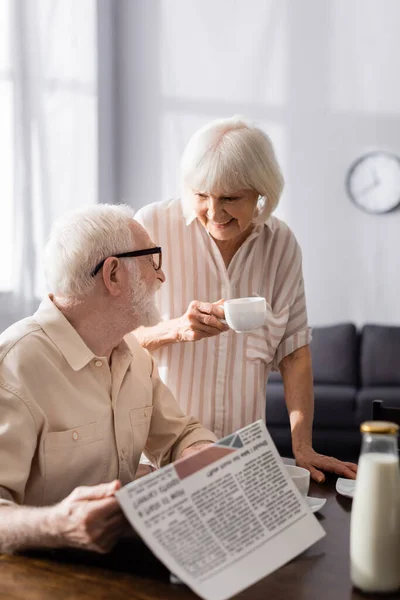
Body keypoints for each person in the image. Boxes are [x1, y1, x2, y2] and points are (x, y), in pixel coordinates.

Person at [134, 116, 357, 483]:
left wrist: (303, 447)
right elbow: (117, 343)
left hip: (242, 456)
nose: (214, 212)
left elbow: (295, 353)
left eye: (231, 198)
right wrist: (177, 329)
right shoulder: (152, 227)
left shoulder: (281, 243)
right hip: (158, 458)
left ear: (262, 192)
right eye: (202, 195)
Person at [0, 204, 216, 555]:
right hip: (40, 578)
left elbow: (180, 435)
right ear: (113, 274)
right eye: (153, 262)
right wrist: (59, 525)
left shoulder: (134, 354)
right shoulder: (14, 367)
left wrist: (199, 454)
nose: (161, 278)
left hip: (126, 561)